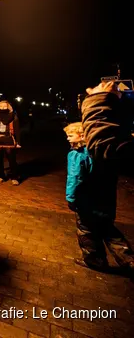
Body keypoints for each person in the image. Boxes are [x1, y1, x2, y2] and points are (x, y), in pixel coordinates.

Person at [76, 81, 134, 274]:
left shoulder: (84, 154)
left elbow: (103, 147)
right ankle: (128, 261)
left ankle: (95, 261)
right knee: (106, 228)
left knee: (89, 228)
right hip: (104, 197)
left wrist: (99, 101)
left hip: (91, 199)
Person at [0, 100, 21, 185]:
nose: (2, 108)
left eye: (4, 106)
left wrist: (18, 142)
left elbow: (17, 130)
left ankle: (14, 177)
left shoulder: (13, 116)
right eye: (1, 107)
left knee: (11, 158)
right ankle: (0, 175)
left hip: (8, 138)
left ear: (8, 107)